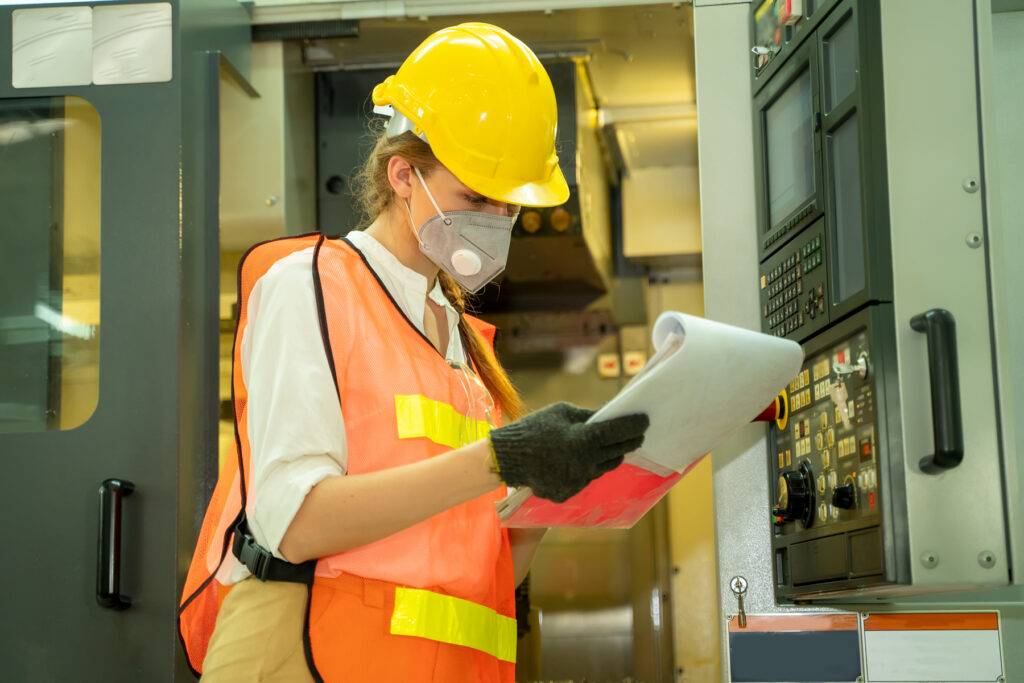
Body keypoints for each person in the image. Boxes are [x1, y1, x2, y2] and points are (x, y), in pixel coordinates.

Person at [178, 23, 649, 683]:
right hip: (307, 656)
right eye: (474, 197)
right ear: (404, 175)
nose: (494, 219)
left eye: (508, 205)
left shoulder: (460, 345)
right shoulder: (312, 285)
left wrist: (551, 498)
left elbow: (475, 568)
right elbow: (293, 520)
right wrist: (500, 458)